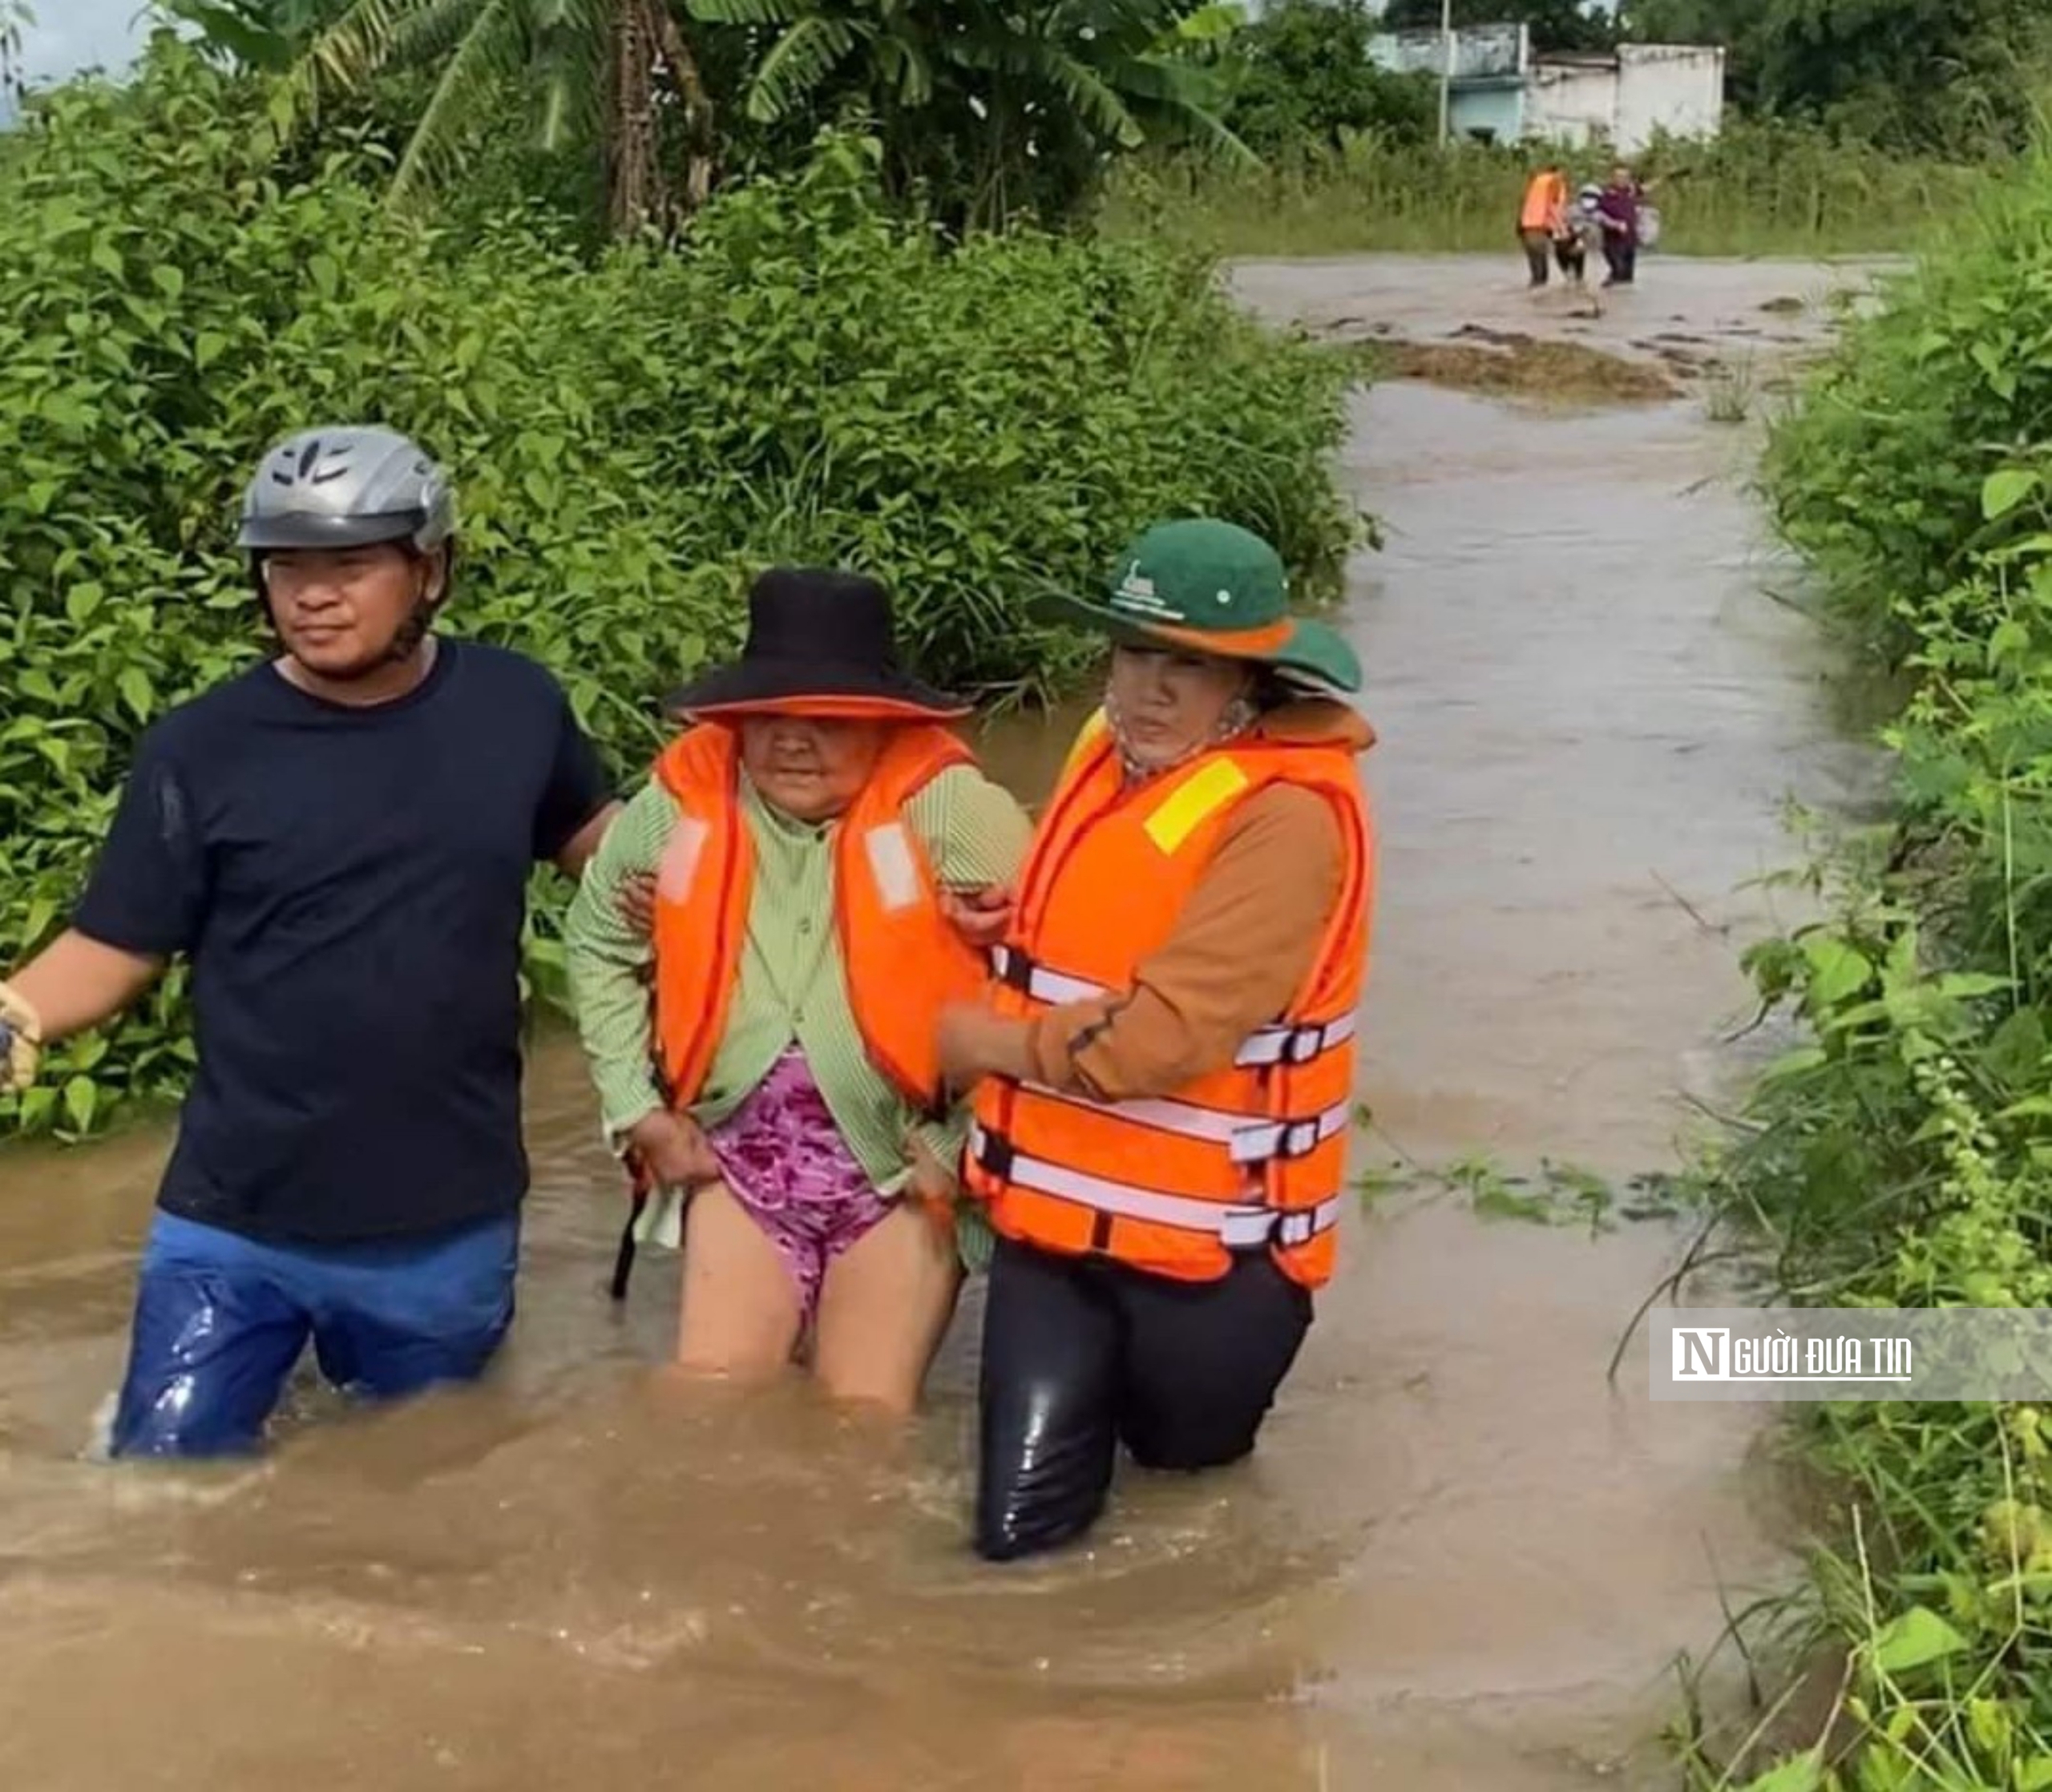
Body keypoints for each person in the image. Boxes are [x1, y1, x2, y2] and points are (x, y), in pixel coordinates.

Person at [0, 426, 619, 1459]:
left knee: (420, 1478)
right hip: (234, 1217)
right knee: (162, 1477)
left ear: (430, 567)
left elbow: (604, 855)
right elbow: (114, 942)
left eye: (350, 563)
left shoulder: (514, 706)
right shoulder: (201, 746)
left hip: (445, 1218)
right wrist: (13, 1013)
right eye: (287, 565)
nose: (313, 595)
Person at [935, 518, 1378, 1563]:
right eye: (1135, 653)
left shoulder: (1288, 820)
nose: (1148, 690)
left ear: (1252, 684)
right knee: (1016, 1547)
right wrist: (1012, 915)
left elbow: (1161, 1040)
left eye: (1190, 666)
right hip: (1051, 1237)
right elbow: (1104, 906)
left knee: (1192, 1526)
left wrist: (981, 1044)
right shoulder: (1106, 752)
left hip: (1213, 1272)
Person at [563, 567, 1032, 1418]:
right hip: (738, 1165)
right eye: (770, 716)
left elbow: (1055, 983)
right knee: (705, 1411)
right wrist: (637, 1110)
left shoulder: (952, 811)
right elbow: (596, 941)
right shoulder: (681, 803)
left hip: (900, 1165)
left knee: (863, 1423)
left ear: (886, 724)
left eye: (828, 720)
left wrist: (964, 1138)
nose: (792, 740)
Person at [1518, 162, 1569, 289]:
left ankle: (1532, 300)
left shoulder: (1537, 181)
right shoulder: (1554, 181)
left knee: (1536, 269)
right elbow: (1552, 206)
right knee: (1542, 274)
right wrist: (1562, 228)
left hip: (1526, 227)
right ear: (1558, 172)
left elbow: (1526, 203)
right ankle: (1538, 302)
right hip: (1539, 227)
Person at [1598, 164, 1646, 287]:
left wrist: (1668, 177)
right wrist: (1615, 224)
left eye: (1625, 177)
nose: (1622, 179)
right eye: (1619, 177)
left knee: (1627, 280)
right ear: (1612, 178)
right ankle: (1607, 294)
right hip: (1613, 242)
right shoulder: (1605, 195)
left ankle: (1622, 303)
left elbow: (1648, 187)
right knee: (1618, 273)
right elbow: (1597, 215)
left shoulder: (1631, 192)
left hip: (1630, 241)